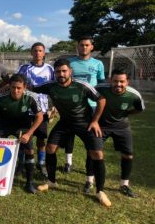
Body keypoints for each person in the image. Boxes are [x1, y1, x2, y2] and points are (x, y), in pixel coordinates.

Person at [33, 58, 111, 207]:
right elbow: (29, 86)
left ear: (70, 72)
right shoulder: (50, 86)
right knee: (50, 148)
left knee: (97, 154)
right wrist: (7, 83)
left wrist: (95, 121)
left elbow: (101, 100)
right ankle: (51, 181)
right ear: (54, 73)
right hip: (65, 122)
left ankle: (100, 191)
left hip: (85, 123)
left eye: (64, 71)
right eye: (58, 72)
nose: (61, 74)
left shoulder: (82, 86)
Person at [95, 69, 145, 197]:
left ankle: (124, 185)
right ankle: (89, 181)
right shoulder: (100, 88)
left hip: (122, 127)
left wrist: (126, 114)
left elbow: (139, 109)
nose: (118, 84)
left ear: (127, 82)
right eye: (115, 81)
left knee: (128, 155)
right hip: (102, 126)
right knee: (94, 152)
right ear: (110, 80)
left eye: (122, 81)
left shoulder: (134, 95)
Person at [0, 74, 43, 193]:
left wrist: (29, 134)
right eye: (13, 87)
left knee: (30, 151)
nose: (15, 90)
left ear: (25, 87)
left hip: (23, 126)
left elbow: (39, 117)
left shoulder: (31, 97)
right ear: (9, 86)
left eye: (19, 88)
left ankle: (29, 183)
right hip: (3, 125)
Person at [64, 36, 106, 174]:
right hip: (72, 105)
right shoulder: (70, 63)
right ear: (77, 46)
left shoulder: (98, 64)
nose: (84, 47)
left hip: (92, 106)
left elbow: (101, 84)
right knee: (69, 134)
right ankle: (68, 162)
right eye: (81, 45)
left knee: (90, 136)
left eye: (87, 45)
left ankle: (90, 166)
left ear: (92, 47)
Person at [17, 42, 54, 176]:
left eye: (40, 51)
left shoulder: (50, 69)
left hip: (42, 109)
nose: (38, 53)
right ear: (31, 53)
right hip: (26, 108)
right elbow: (18, 84)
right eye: (35, 51)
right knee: (24, 136)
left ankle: (41, 163)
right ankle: (21, 163)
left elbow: (53, 88)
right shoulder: (24, 68)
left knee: (41, 138)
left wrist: (52, 107)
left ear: (44, 53)